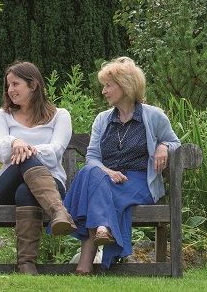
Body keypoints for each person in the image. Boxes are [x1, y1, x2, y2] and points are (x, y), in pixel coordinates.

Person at [64, 56, 181, 275]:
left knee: (95, 191)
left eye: (108, 86)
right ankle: (101, 230)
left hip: (139, 181)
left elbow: (176, 142)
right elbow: (92, 157)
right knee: (92, 172)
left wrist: (164, 146)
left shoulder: (153, 116)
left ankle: (85, 262)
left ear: (125, 86)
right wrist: (107, 171)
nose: (104, 91)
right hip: (106, 179)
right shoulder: (102, 119)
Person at [0, 61, 76, 275]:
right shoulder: (3, 115)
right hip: (8, 187)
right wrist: (14, 142)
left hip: (49, 184)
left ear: (34, 85)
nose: (10, 90)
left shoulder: (60, 116)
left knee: (26, 190)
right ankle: (58, 211)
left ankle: (27, 264)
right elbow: (2, 153)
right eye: (8, 85)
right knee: (24, 165)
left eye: (15, 84)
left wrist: (24, 148)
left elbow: (56, 151)